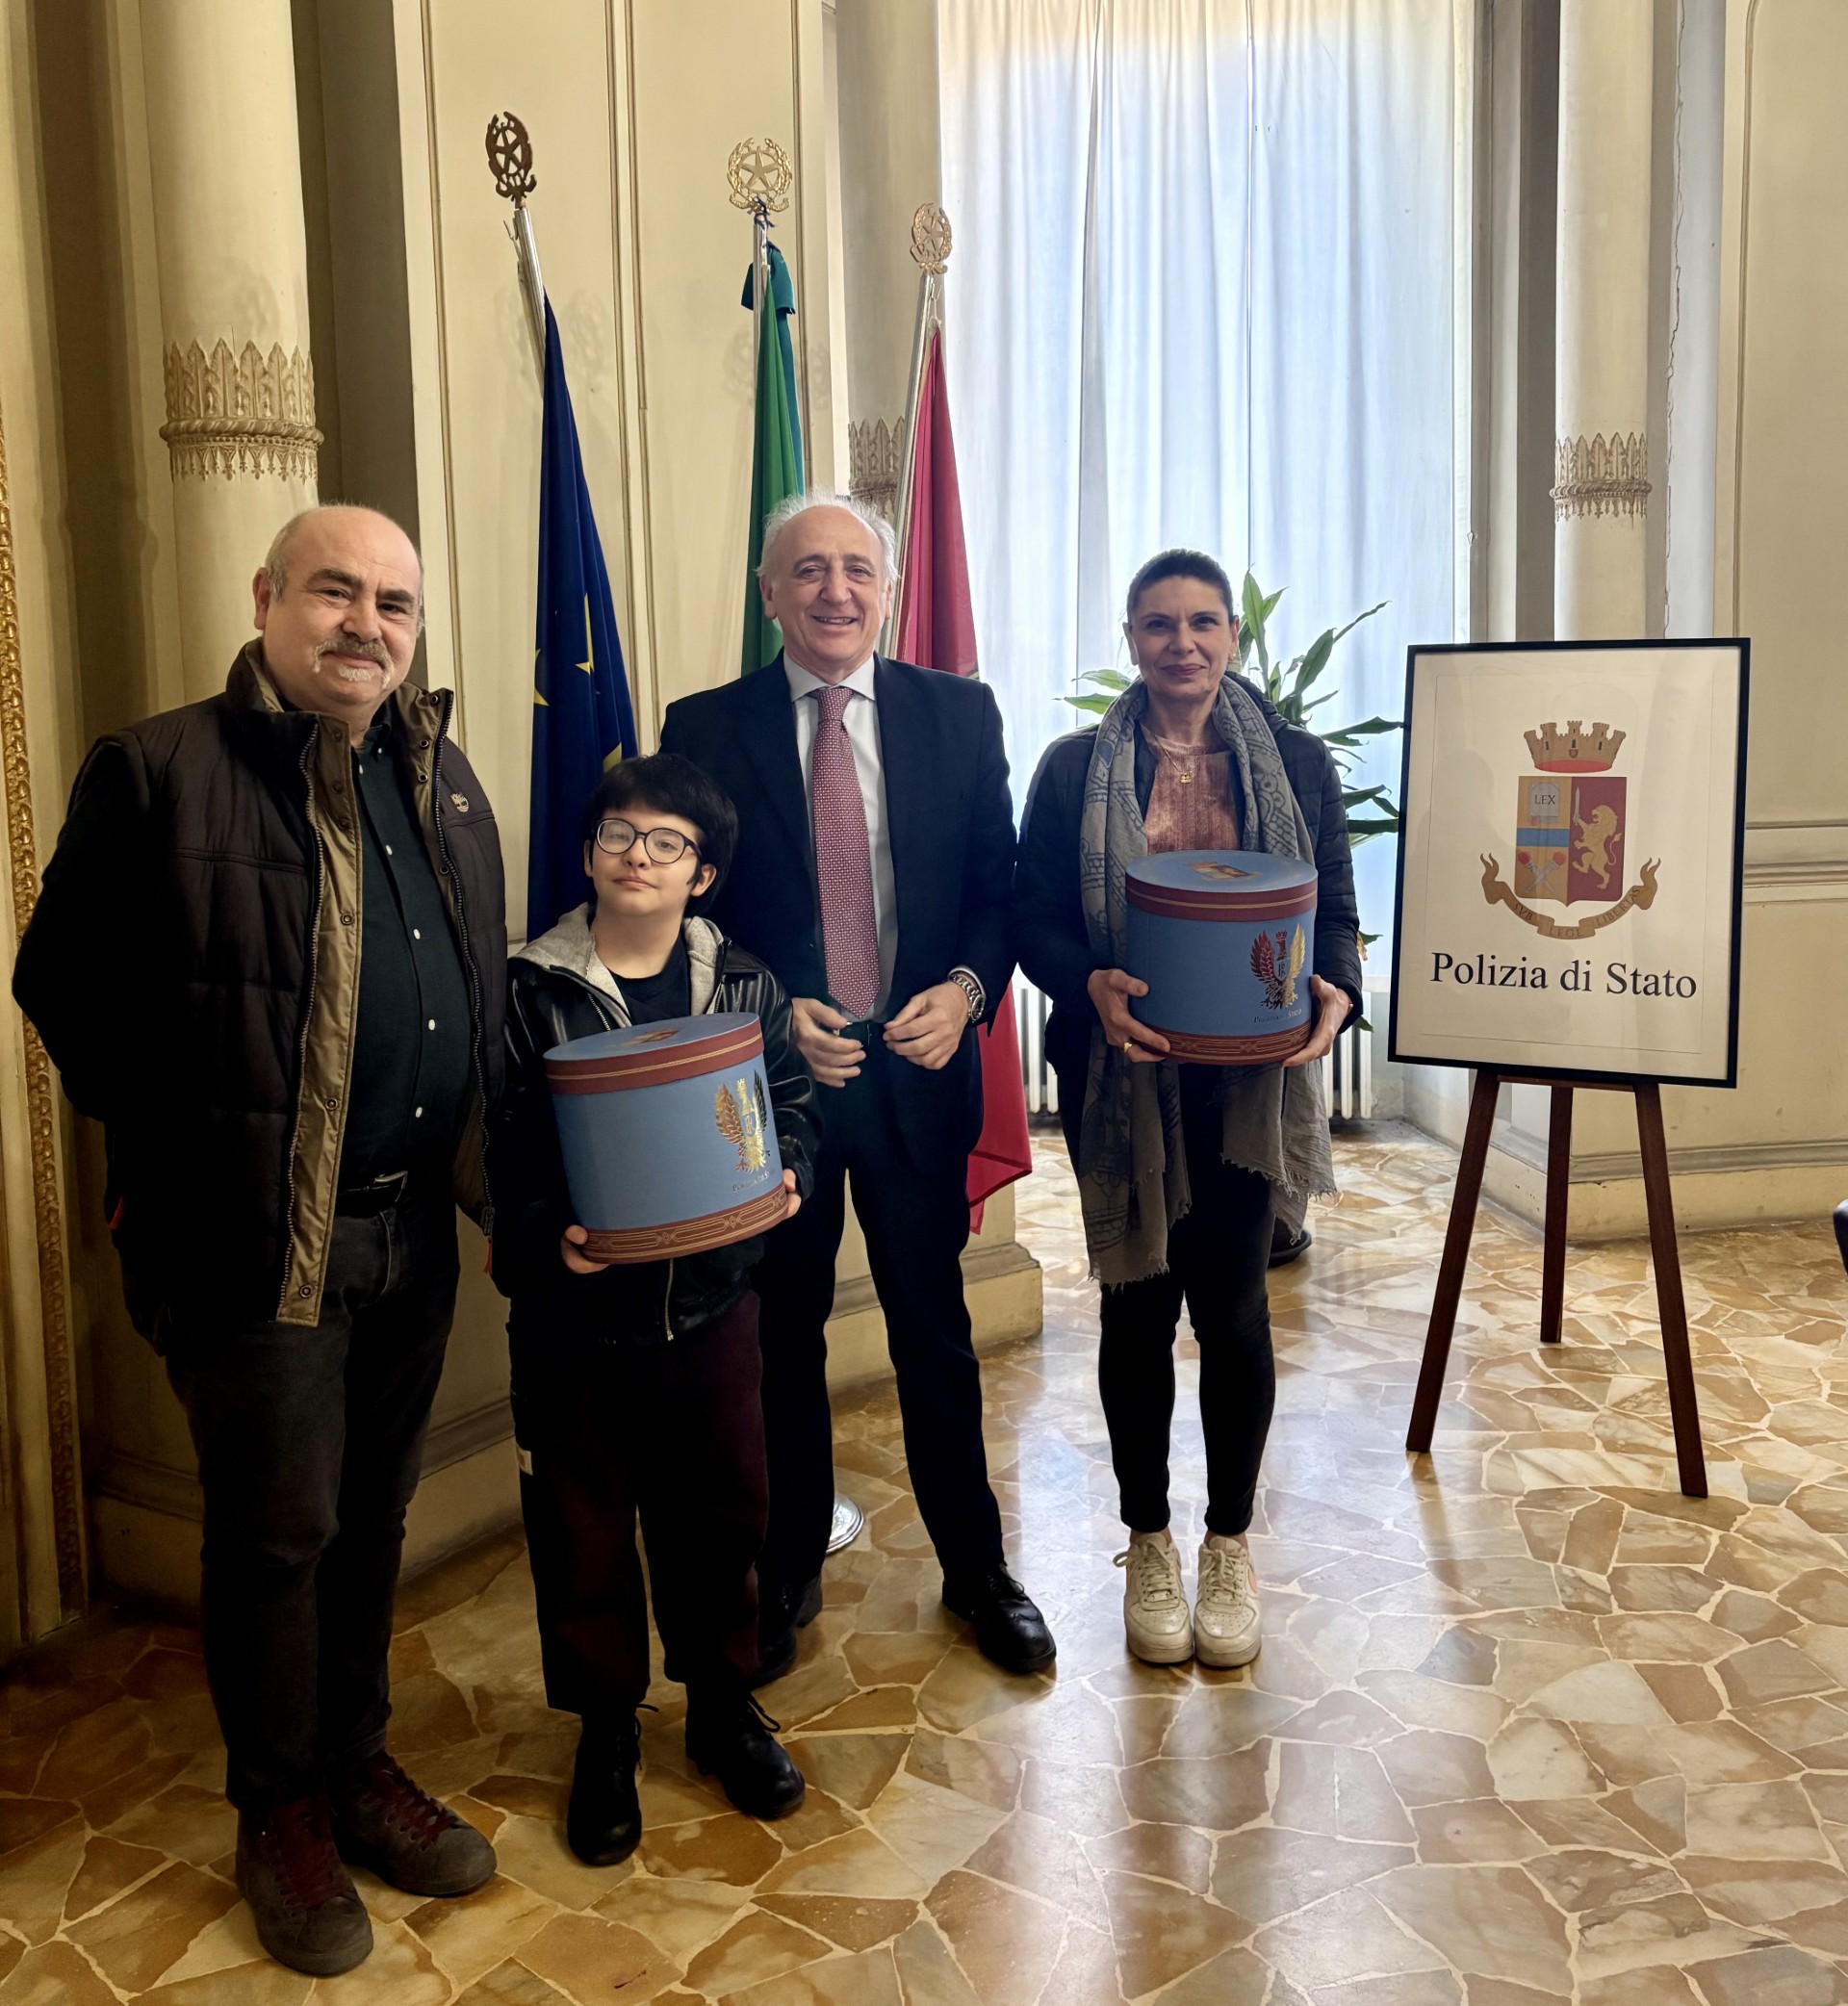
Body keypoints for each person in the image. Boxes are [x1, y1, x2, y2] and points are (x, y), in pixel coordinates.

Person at [13, 506, 504, 1977]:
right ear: (268, 599)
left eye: (394, 603)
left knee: (369, 1519)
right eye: (335, 592)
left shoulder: (442, 772)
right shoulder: (159, 770)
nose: (367, 624)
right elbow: (61, 984)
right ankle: (279, 1811)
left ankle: (355, 1764)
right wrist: (195, 1152)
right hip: (256, 1253)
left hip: (412, 1236)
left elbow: (468, 987)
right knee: (277, 1539)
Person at [658, 490, 1054, 1681]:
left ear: (886, 590)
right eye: (808, 569)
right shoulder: (703, 725)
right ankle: (787, 1564)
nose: (835, 590)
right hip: (775, 1091)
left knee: (934, 1327)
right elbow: (686, 909)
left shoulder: (958, 713)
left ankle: (977, 1567)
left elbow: (996, 886)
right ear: (769, 593)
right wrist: (772, 1009)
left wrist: (969, 990)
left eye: (856, 570)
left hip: (917, 1077)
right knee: (780, 1331)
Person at [1012, 548, 1361, 1669]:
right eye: (1159, 623)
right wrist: (1088, 983)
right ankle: (1150, 1537)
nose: (1183, 643)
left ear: (1232, 638)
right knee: (1134, 1311)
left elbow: (1334, 907)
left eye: (1204, 622)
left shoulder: (1296, 763)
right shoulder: (1075, 769)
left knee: (1235, 1310)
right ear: (1131, 638)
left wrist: (1336, 989)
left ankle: (1228, 1542)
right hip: (1121, 1077)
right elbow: (1034, 917)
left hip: (1248, 1086)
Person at [494, 753, 818, 1864]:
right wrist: (547, 1232)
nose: (639, 856)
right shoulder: (528, 987)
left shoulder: (747, 985)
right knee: (581, 1526)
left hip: (714, 1306)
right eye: (619, 834)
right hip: (576, 1319)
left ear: (703, 872)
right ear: (589, 852)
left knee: (724, 1509)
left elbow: (790, 1105)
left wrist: (791, 1172)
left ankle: (723, 1703)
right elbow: (498, 1141)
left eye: (667, 842)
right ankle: (604, 1729)